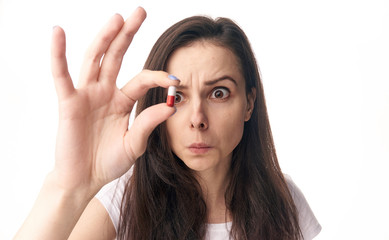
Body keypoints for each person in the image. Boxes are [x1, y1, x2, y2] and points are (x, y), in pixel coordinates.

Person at [14, 7, 321, 240]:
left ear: (249, 103)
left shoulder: (282, 198)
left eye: (218, 93)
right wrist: (69, 187)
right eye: (179, 97)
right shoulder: (125, 201)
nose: (197, 120)